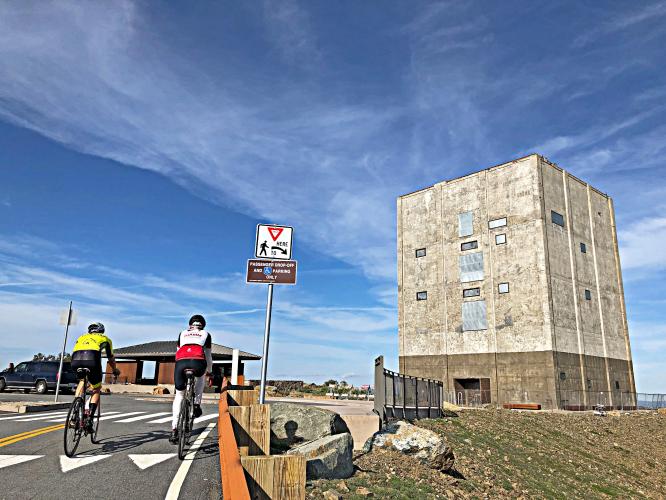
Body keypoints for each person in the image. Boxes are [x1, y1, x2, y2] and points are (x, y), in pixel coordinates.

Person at [169, 314, 212, 444]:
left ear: (190, 325)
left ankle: (174, 429)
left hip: (181, 363)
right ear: (202, 325)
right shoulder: (206, 334)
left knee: (179, 396)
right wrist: (210, 372)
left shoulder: (182, 334)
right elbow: (208, 356)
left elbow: (178, 351)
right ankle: (197, 404)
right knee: (201, 376)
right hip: (198, 362)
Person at [71, 322, 119, 430]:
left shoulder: (82, 337)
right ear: (101, 331)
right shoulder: (105, 339)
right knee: (97, 388)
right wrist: (115, 370)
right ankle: (89, 419)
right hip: (91, 361)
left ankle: (74, 414)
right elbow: (110, 358)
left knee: (82, 381)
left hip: (75, 361)